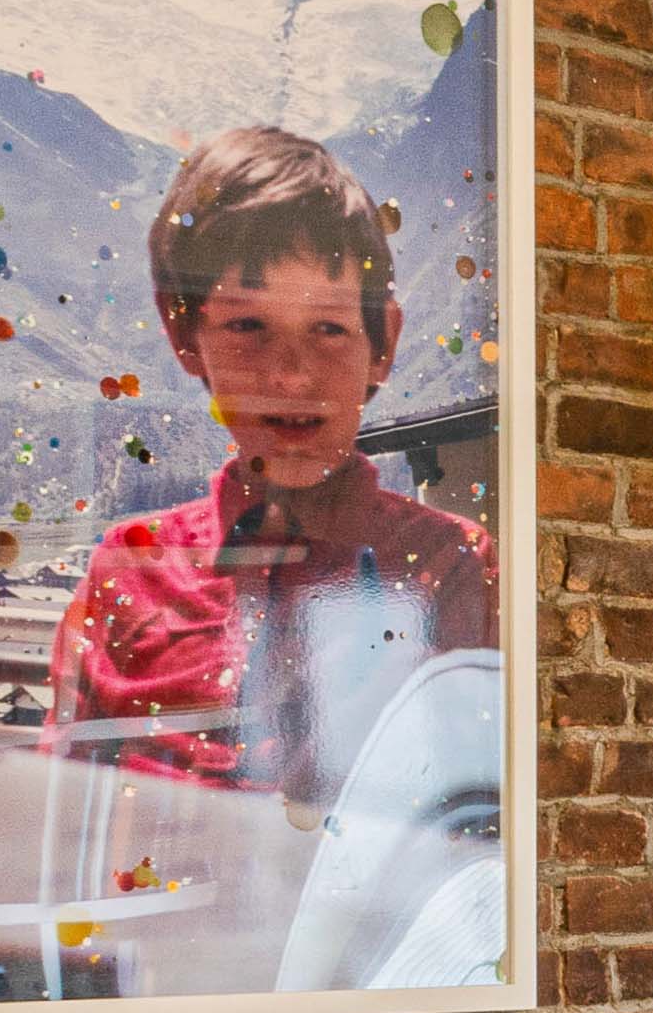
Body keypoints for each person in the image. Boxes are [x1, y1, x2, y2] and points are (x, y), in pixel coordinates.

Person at [55, 125, 495, 800]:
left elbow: (475, 836)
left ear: (382, 344)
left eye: (328, 330)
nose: (291, 376)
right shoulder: (131, 574)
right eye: (248, 327)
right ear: (185, 336)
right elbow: (63, 822)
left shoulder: (452, 572)